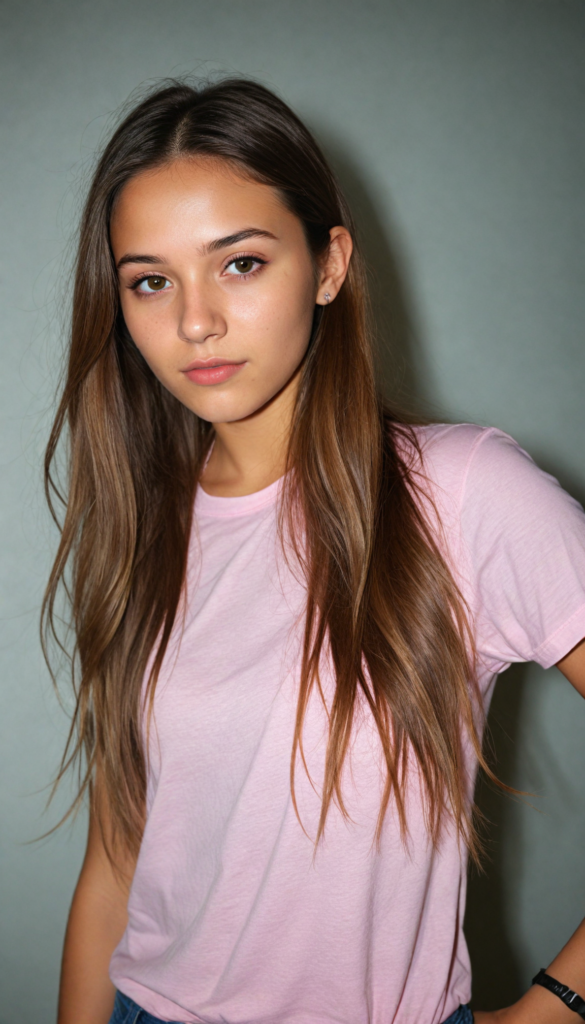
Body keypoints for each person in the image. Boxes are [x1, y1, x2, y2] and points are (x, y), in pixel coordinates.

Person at [44, 78, 585, 1024]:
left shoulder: (459, 492)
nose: (195, 321)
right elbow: (119, 859)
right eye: (150, 280)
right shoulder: (142, 525)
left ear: (329, 263)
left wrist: (555, 1006)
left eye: (240, 264)